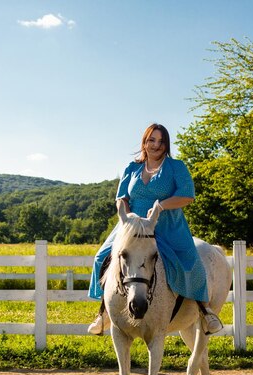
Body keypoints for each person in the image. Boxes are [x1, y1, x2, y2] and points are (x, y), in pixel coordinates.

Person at [87, 123, 223, 335]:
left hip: (167, 222)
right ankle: (103, 312)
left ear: (166, 145)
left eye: (161, 141)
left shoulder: (176, 167)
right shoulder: (131, 169)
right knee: (101, 257)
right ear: (144, 142)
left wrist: (161, 206)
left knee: (189, 259)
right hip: (132, 224)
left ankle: (205, 310)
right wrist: (124, 215)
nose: (156, 145)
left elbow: (187, 195)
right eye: (152, 140)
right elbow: (121, 198)